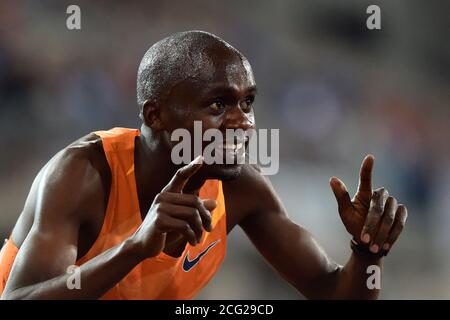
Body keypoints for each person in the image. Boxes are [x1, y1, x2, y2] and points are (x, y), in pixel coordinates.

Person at [0, 30, 407, 299]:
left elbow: (331, 290)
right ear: (155, 115)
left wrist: (368, 252)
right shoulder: (82, 175)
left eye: (247, 102)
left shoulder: (241, 189)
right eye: (219, 104)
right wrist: (135, 249)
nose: (243, 121)